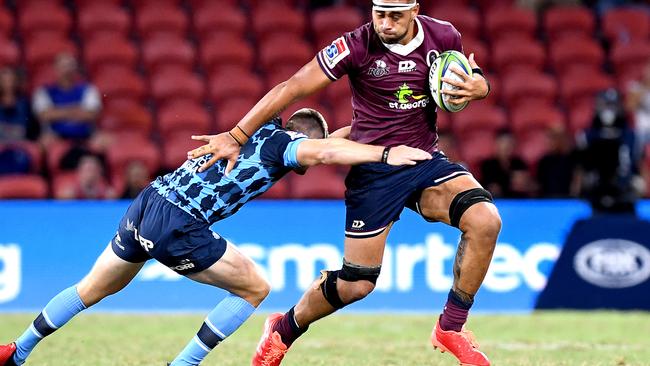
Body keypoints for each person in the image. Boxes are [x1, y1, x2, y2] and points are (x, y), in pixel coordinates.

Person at [185, 1, 500, 365]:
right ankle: (282, 329)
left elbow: (465, 75)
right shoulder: (356, 46)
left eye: (395, 15)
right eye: (378, 13)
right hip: (373, 169)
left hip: (422, 159)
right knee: (357, 285)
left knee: (485, 220)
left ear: (415, 9)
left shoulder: (444, 35)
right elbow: (292, 87)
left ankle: (451, 327)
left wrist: (481, 87)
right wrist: (237, 135)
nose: (384, 23)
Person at [0, 108, 430, 366]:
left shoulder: (255, 131)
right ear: (303, 137)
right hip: (180, 223)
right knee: (256, 288)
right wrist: (386, 152)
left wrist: (373, 120)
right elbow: (325, 151)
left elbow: (328, 143)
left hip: (149, 201)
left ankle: (17, 351)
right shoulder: (286, 145)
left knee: (89, 289)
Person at [32, 52, 101, 143]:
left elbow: (91, 114)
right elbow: (44, 115)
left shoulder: (88, 89)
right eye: (63, 66)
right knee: (44, 142)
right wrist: (76, 110)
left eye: (70, 66)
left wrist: (57, 112)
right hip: (55, 136)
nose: (67, 70)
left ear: (75, 68)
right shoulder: (44, 91)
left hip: (85, 136)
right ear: (56, 69)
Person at [479, 129, 532, 198]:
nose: (506, 146)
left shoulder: (519, 163)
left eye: (510, 143)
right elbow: (491, 188)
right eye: (503, 142)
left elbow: (523, 186)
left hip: (518, 201)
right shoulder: (487, 165)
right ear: (496, 144)